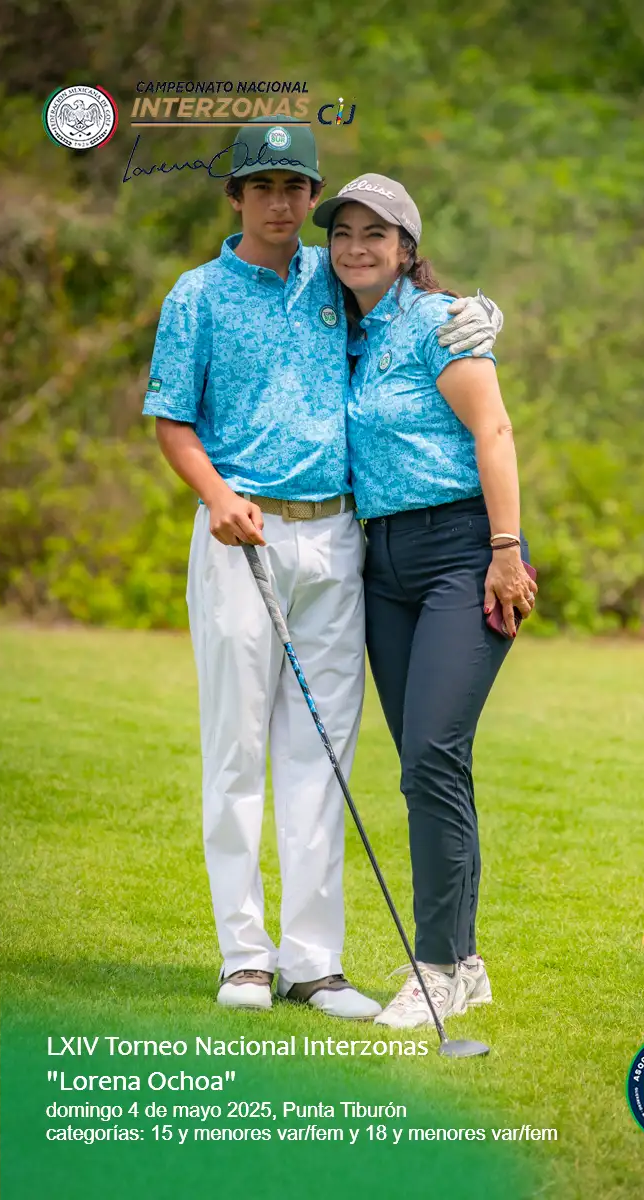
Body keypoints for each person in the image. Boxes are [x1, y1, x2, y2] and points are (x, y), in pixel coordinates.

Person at [143, 120, 504, 1018]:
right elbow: (170, 420)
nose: (280, 203)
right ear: (236, 196)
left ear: (310, 197)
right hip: (242, 536)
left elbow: (412, 309)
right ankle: (245, 959)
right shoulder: (196, 295)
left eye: (294, 188)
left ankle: (313, 964)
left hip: (341, 538)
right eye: (262, 186)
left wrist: (483, 314)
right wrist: (216, 494)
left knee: (322, 753)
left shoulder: (330, 279)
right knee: (236, 749)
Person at [313, 174, 537, 1028]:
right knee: (428, 766)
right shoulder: (344, 332)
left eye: (376, 234)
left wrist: (505, 551)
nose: (356, 247)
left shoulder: (442, 322)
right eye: (343, 233)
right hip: (384, 566)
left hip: (464, 554)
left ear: (407, 249)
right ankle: (464, 963)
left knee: (432, 756)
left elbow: (494, 430)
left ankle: (437, 967)